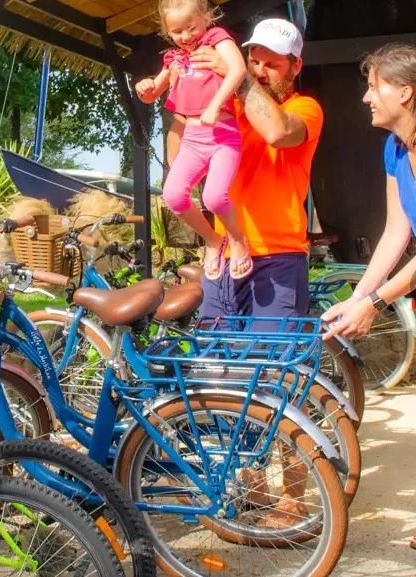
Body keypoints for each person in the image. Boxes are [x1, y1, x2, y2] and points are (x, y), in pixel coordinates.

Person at [178, 19, 324, 529]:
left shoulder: (305, 109)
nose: (261, 70)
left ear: (295, 67)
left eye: (272, 63)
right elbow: (187, 154)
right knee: (223, 374)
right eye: (254, 59)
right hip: (225, 255)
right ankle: (252, 483)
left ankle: (296, 497)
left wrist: (236, 77)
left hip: (279, 256)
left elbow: (278, 132)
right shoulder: (231, 105)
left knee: (278, 378)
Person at [318, 42, 415, 547]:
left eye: (374, 86)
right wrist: (358, 296)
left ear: (406, 91)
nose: (365, 97)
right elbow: (397, 232)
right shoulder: (394, 149)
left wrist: (376, 305)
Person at [135, 0, 249, 280]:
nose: (185, 36)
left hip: (223, 135)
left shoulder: (216, 39)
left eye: (191, 28)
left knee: (214, 197)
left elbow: (238, 69)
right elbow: (152, 94)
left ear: (206, 18)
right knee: (173, 196)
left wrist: (215, 105)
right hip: (193, 140)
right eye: (177, 32)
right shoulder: (175, 58)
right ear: (167, 32)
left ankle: (238, 239)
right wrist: (144, 87)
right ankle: (213, 240)